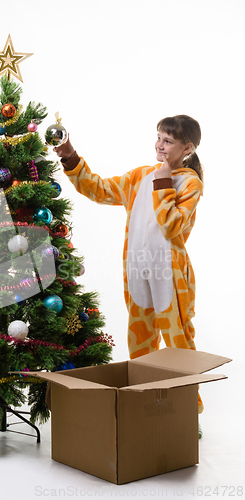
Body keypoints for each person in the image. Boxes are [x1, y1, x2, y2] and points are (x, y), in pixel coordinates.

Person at [54, 115, 204, 416]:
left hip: (169, 276)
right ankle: (144, 403)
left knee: (178, 343)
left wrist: (163, 180)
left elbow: (172, 224)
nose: (159, 145)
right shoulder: (139, 177)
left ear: (186, 148)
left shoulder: (190, 183)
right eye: (158, 137)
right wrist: (71, 158)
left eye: (168, 141)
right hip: (137, 271)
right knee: (141, 343)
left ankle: (188, 411)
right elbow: (99, 189)